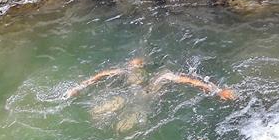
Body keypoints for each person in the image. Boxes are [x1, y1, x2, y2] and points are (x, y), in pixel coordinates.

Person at [64, 57, 235, 101]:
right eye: (132, 66)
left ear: (144, 70)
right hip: (130, 96)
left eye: (137, 67)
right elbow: (101, 75)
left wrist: (217, 90)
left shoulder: (160, 78)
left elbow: (190, 81)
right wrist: (79, 87)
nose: (133, 68)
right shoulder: (123, 72)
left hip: (146, 99)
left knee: (125, 127)